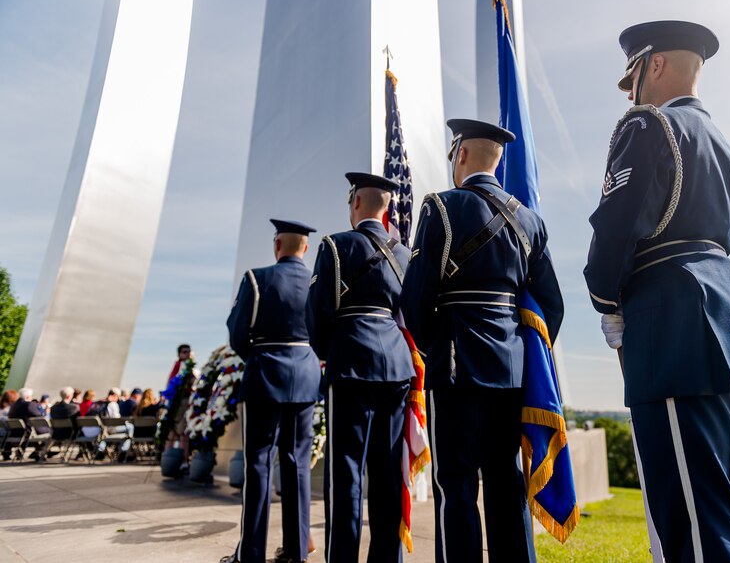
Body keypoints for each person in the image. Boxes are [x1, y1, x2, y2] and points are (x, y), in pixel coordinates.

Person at [583, 20, 730, 562]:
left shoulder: (648, 126)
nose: (630, 91)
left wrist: (607, 304)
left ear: (653, 65)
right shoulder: (722, 144)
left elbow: (615, 227)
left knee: (697, 516)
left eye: (632, 75)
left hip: (671, 324)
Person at [400, 119, 564, 563]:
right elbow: (552, 307)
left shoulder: (440, 207)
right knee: (504, 480)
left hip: (456, 364)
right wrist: (519, 354)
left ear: (461, 155)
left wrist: (440, 347)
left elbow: (414, 301)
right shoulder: (529, 220)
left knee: (456, 484)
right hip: (511, 372)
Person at [307, 173, 414, 563]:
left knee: (346, 475)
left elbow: (317, 313)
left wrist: (329, 351)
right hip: (397, 367)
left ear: (355, 203)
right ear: (385, 208)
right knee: (386, 474)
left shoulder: (335, 246)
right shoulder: (404, 253)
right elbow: (412, 313)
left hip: (350, 362)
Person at [222, 218, 322, 563]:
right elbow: (322, 330)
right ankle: (296, 552)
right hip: (307, 377)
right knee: (297, 465)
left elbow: (237, 332)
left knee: (259, 466)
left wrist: (261, 356)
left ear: (277, 245)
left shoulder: (257, 278)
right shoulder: (315, 282)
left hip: (265, 376)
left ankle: (250, 555)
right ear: (305, 248)